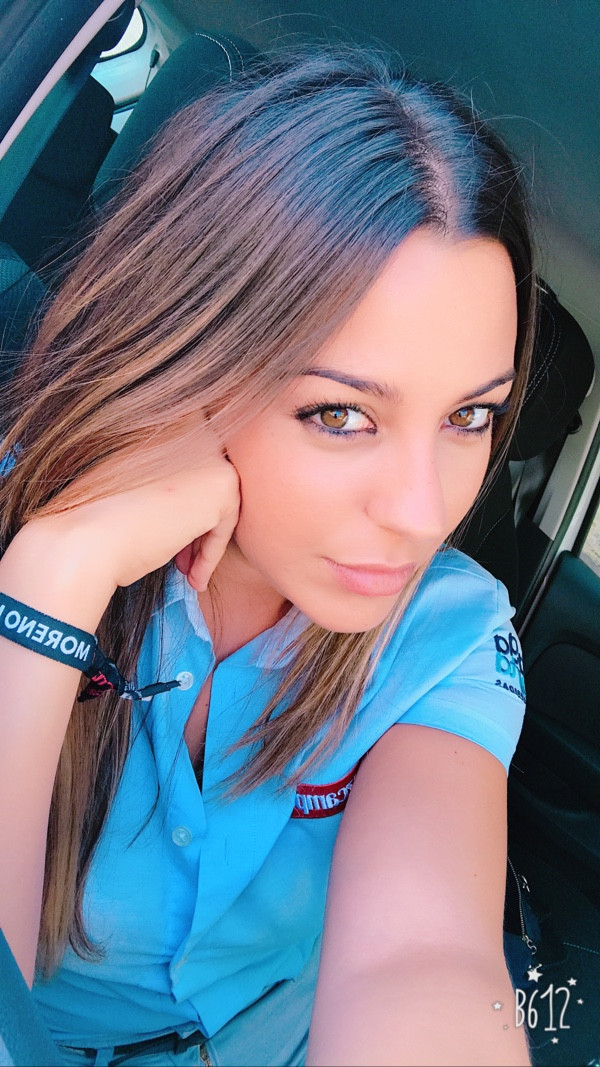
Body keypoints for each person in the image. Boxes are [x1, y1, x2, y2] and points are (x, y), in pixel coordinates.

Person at [0, 47, 536, 1067]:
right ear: (192, 358)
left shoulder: (449, 630)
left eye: (470, 416)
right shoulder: (23, 525)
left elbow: (423, 960)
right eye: (339, 414)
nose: (422, 512)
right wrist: (52, 581)